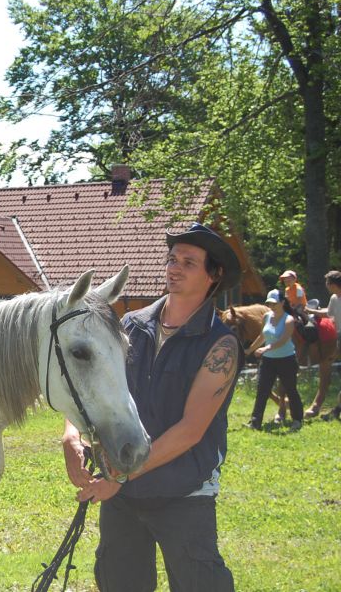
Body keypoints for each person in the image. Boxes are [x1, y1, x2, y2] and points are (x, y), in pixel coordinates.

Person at [61, 222, 243, 591]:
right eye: (172, 259)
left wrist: (117, 477)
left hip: (184, 493)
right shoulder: (130, 324)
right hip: (123, 496)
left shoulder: (220, 345)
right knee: (120, 583)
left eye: (189, 263)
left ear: (214, 275)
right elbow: (90, 388)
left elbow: (190, 430)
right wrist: (70, 434)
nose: (174, 268)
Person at [245, 290, 303, 431]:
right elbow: (262, 337)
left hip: (286, 360)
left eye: (274, 303)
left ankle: (297, 420)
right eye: (269, 303)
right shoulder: (266, 317)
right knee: (262, 390)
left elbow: (283, 340)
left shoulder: (289, 320)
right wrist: (249, 350)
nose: (271, 306)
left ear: (282, 303)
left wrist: (265, 349)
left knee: (290, 390)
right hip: (269, 361)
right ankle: (255, 422)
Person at [308, 270, 341, 421]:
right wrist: (310, 311)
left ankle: (335, 411)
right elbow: (329, 314)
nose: (326, 286)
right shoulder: (334, 298)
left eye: (328, 283)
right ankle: (336, 411)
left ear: (333, 284)